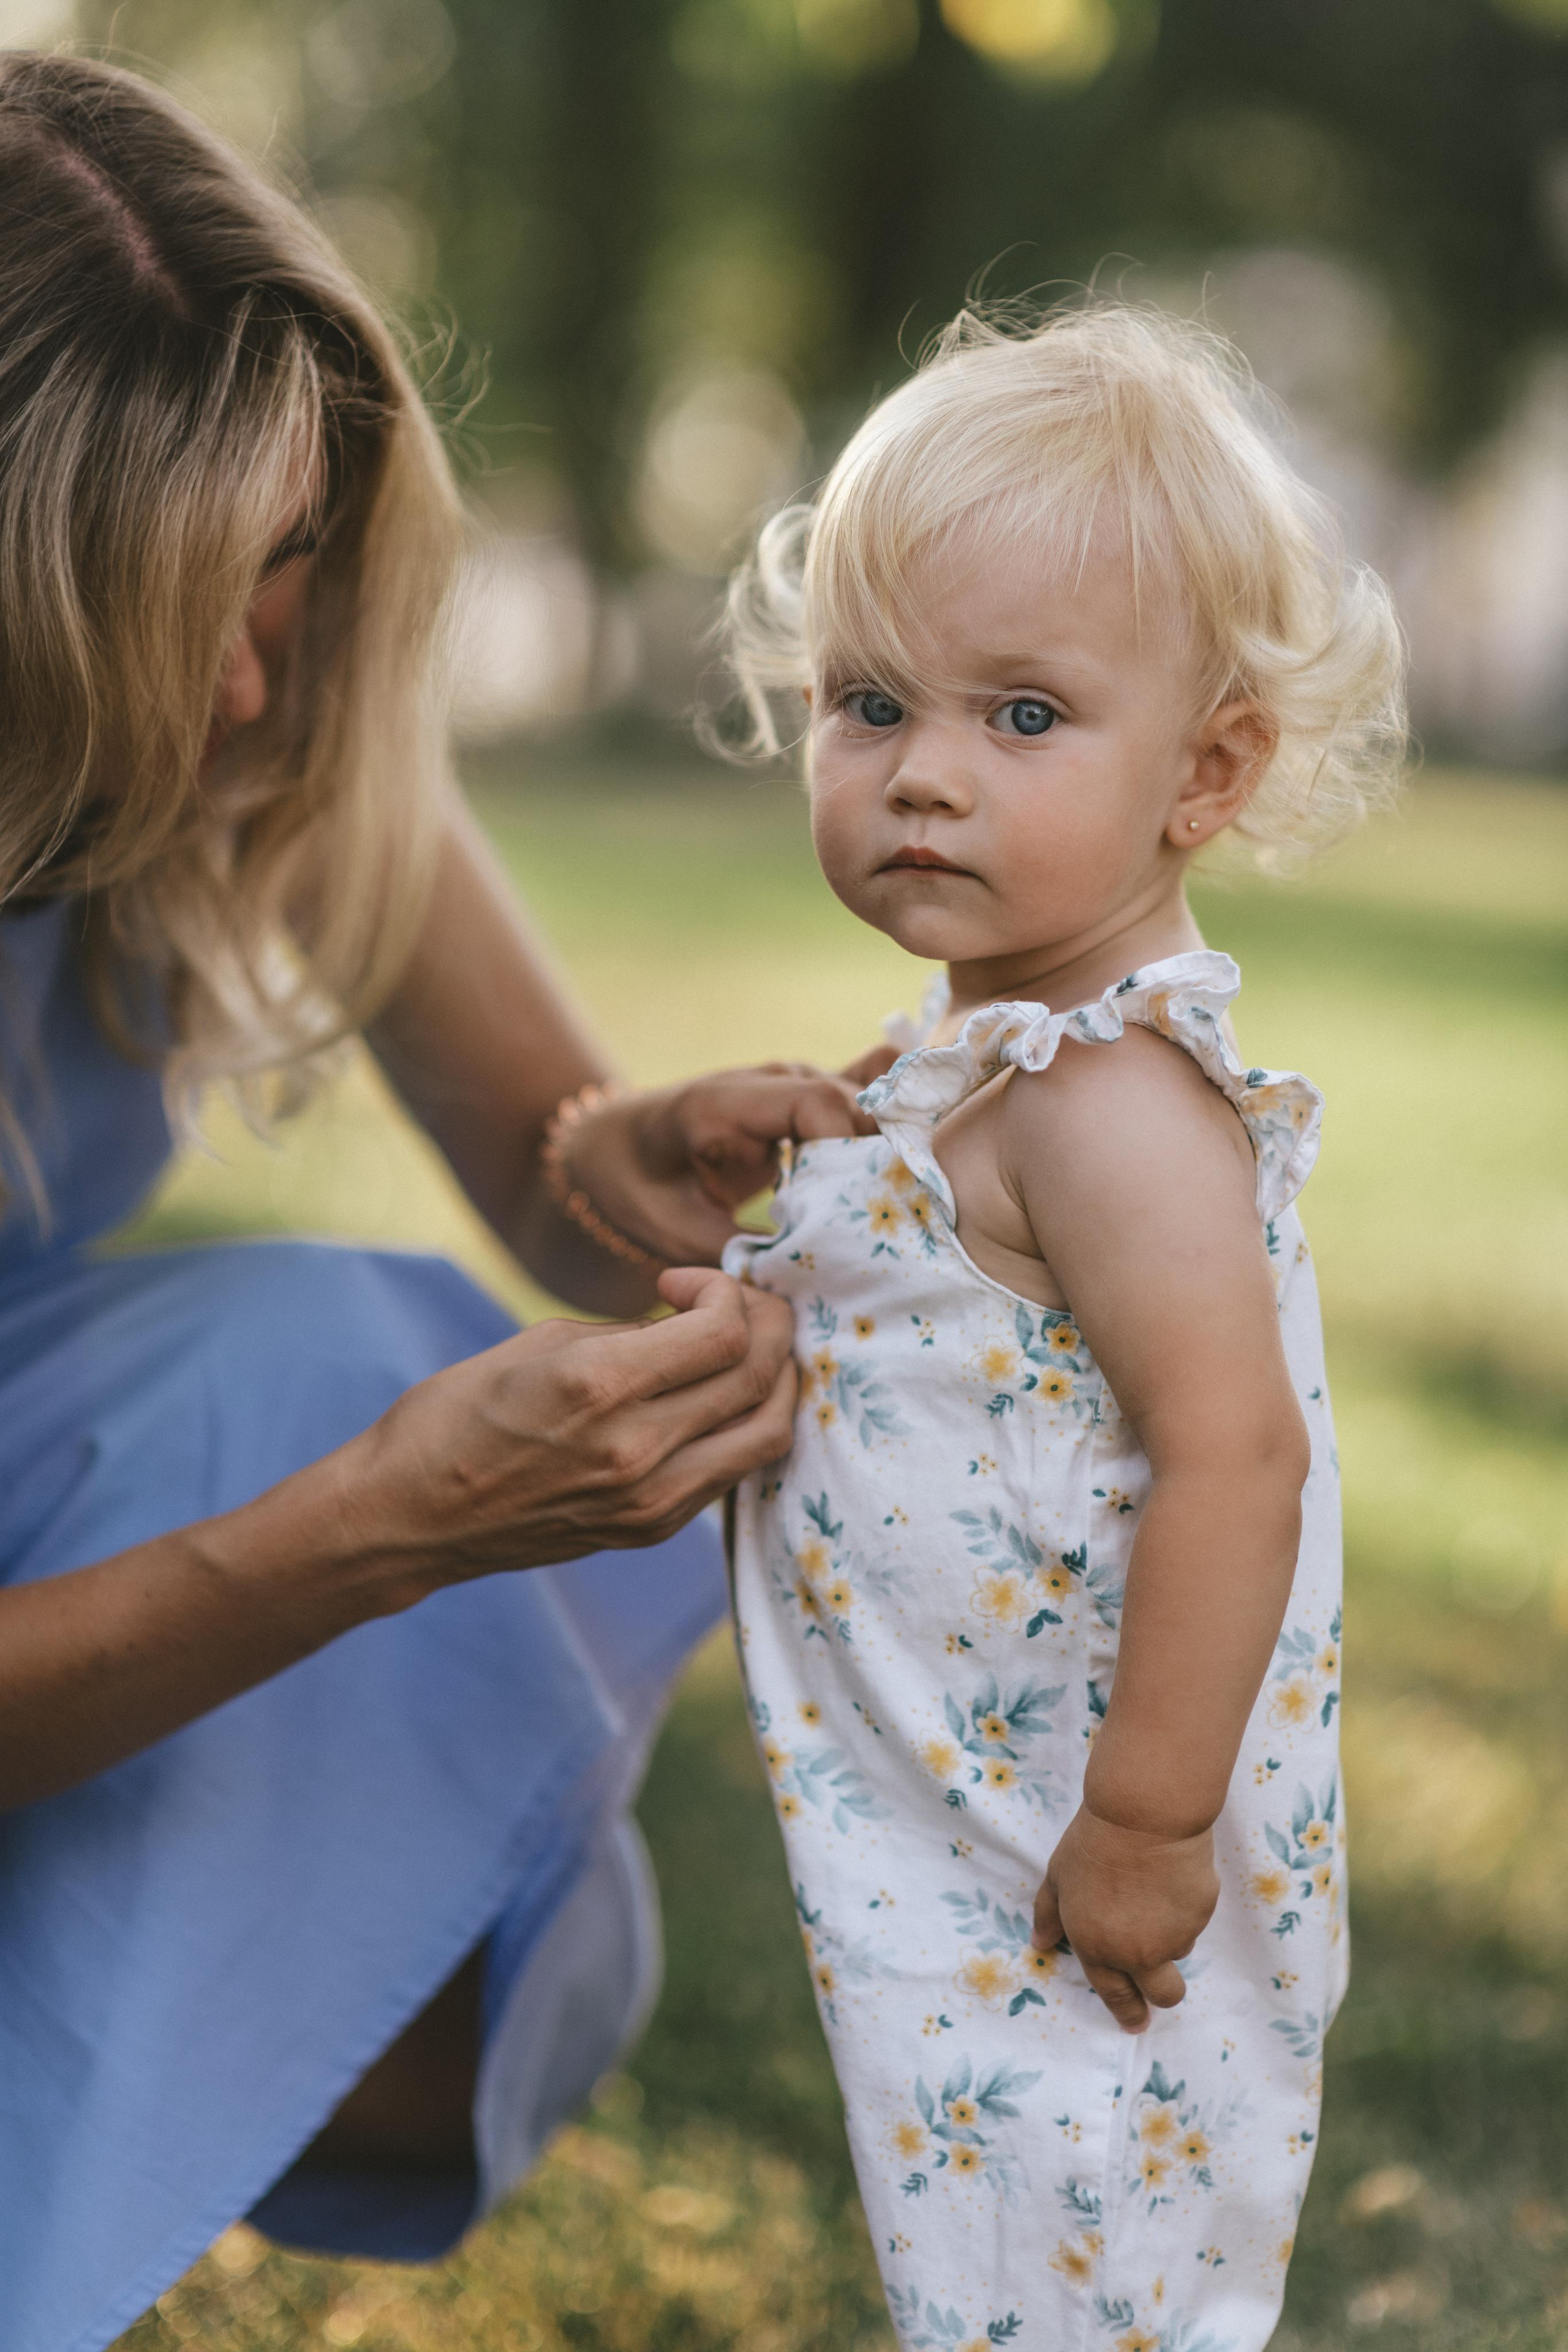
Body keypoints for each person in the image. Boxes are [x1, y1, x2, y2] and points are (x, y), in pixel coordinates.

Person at [0, 51, 878, 2352]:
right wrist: (363, 1536)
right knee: (321, 1426)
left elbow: (538, 1152)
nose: (240, 677)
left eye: (282, 566)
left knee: (319, 1357)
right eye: (148, 601)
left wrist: (624, 1156)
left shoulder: (263, 719)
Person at [718, 303, 1406, 2351]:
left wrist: (1148, 1819)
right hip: (972, 1799)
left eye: (1023, 718)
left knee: (1083, 2241)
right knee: (996, 2235)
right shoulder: (982, 1059)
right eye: (871, 703)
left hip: (1081, 1830)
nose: (922, 775)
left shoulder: (1114, 1105)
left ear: (1207, 771)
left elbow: (1238, 1453)